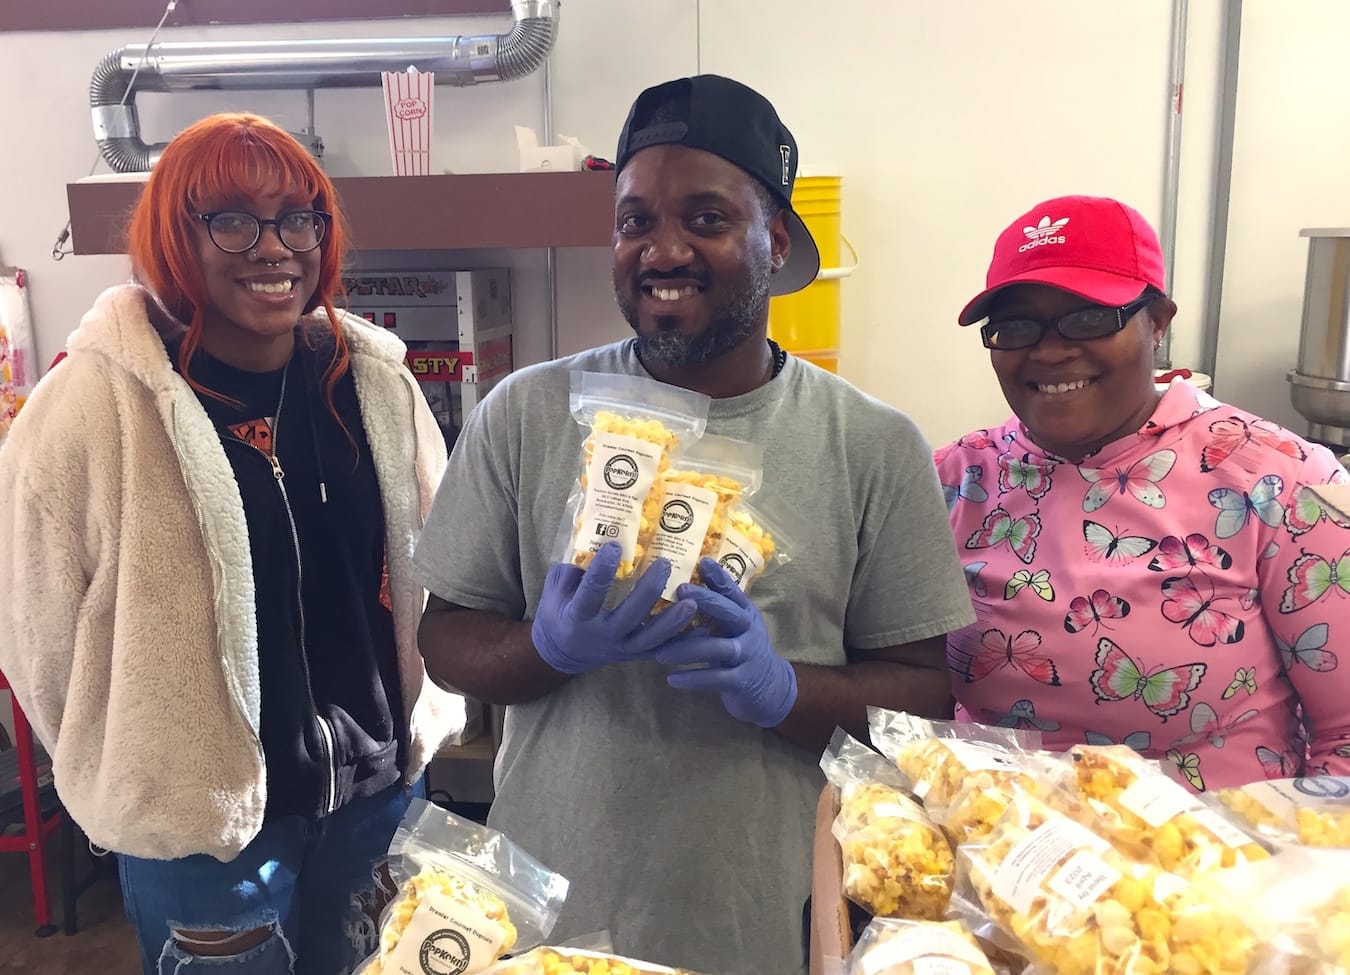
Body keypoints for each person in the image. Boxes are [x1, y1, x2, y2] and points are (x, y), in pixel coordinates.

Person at [413, 75, 973, 975]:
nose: (662, 248)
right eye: (635, 221)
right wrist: (549, 647)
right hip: (548, 921)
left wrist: (782, 688)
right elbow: (444, 641)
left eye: (706, 218)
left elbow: (925, 698)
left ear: (775, 239)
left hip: (763, 922)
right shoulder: (526, 413)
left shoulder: (871, 443)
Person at [0, 113, 466, 974]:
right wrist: (137, 770)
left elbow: (429, 570)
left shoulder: (374, 385)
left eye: (299, 217)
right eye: (232, 219)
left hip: (374, 800)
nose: (275, 247)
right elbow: (38, 636)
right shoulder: (89, 406)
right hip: (203, 838)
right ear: (176, 236)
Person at [937, 193, 1350, 792]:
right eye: (1017, 325)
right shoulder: (953, 482)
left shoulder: (1282, 485)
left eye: (1088, 316)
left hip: (1218, 866)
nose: (1050, 350)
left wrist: (1293, 873)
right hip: (999, 854)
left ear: (1158, 321)